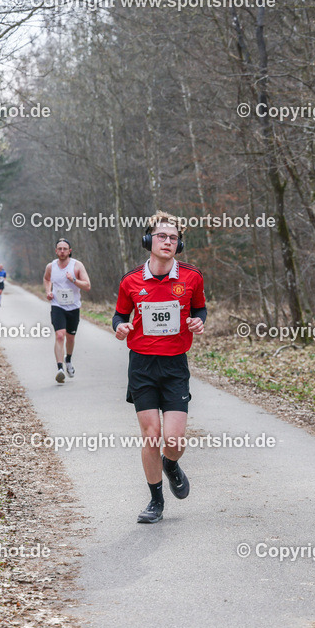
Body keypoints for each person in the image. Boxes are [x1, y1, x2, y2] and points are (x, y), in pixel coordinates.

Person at [114, 211, 206, 524]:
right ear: (148, 241)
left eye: (173, 238)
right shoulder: (131, 280)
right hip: (141, 365)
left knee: (175, 441)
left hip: (175, 366)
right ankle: (156, 501)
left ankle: (171, 465)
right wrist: (120, 328)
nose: (167, 242)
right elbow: (118, 315)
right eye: (161, 236)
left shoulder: (192, 277)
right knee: (151, 436)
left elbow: (200, 307)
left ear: (179, 245)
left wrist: (198, 321)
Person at [44, 239, 92, 383]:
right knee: (60, 335)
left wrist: (74, 280)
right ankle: (60, 369)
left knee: (70, 338)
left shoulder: (77, 265)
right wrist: (48, 291)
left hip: (73, 307)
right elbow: (46, 279)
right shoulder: (51, 266)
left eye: (65, 249)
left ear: (70, 250)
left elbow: (87, 286)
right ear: (56, 251)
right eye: (60, 249)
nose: (62, 251)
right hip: (57, 305)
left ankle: (68, 360)